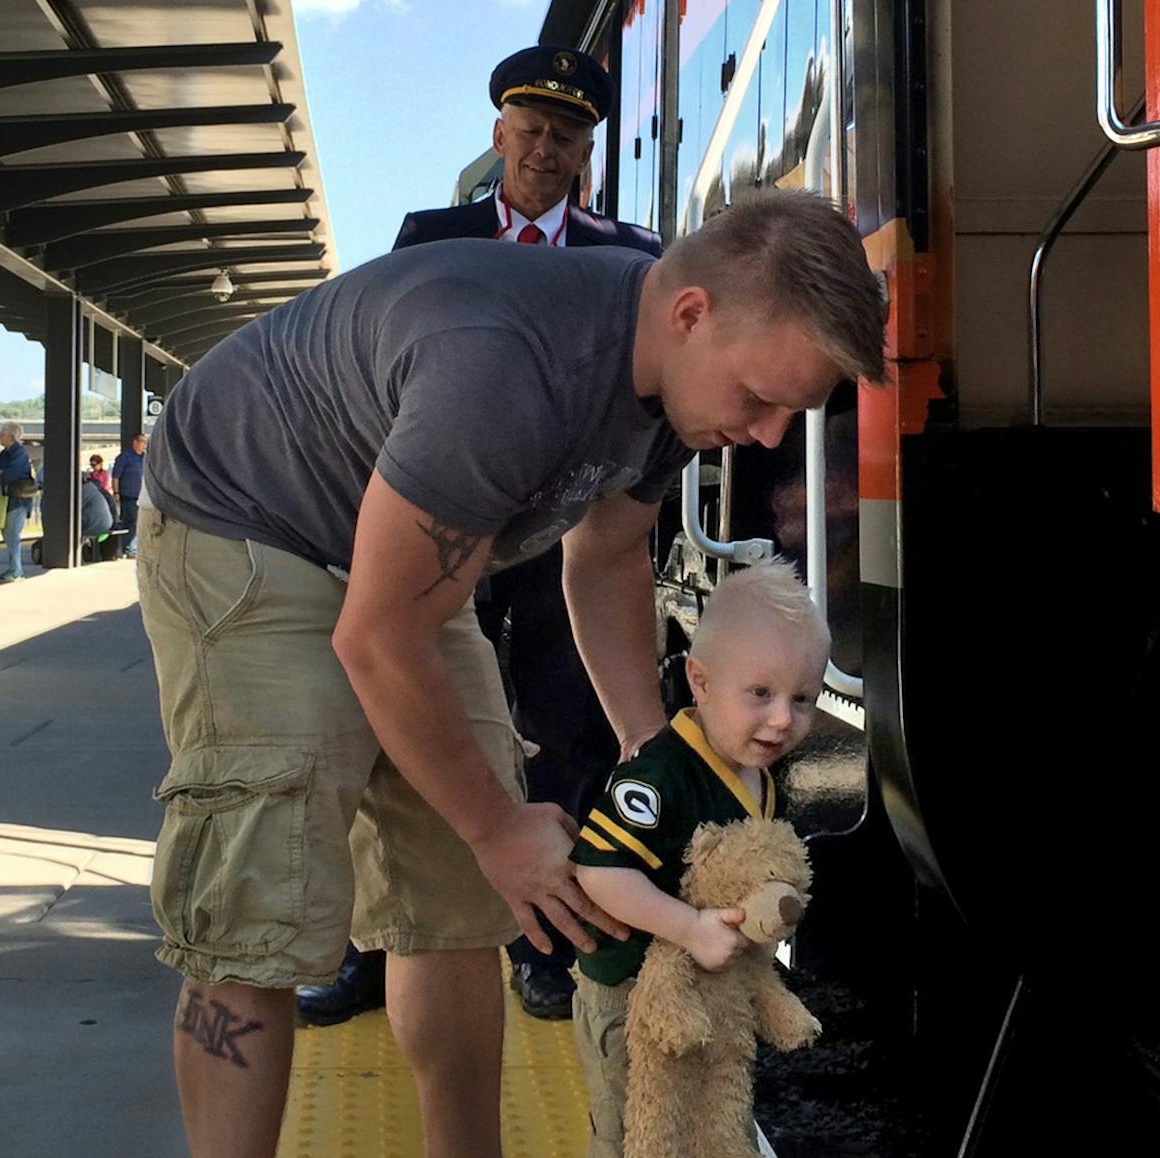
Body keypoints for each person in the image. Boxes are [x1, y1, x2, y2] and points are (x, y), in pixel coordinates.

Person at [137, 188, 885, 1158]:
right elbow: (375, 636)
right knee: (257, 902)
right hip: (246, 522)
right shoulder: (507, 369)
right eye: (761, 399)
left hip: (404, 569)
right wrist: (495, 823)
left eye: (794, 410)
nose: (772, 437)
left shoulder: (672, 390)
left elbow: (604, 559)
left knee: (462, 895)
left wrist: (653, 753)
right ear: (691, 316)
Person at [299, 42, 664, 1032]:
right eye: (531, 130)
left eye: (566, 136)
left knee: (562, 725)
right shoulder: (432, 234)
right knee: (390, 721)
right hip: (430, 515)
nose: (545, 151)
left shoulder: (625, 254)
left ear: (588, 151)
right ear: (499, 134)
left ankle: (546, 945)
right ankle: (370, 952)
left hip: (551, 532)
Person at [569, 558, 828, 1158]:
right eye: (760, 693)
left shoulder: (759, 770)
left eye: (804, 698)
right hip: (633, 990)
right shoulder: (660, 775)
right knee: (634, 1131)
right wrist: (689, 929)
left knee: (713, 1117)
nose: (784, 718)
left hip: (712, 988)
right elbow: (598, 870)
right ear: (701, 681)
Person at [0, 423, 36, 582]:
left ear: (10, 436)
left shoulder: (18, 453)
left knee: (12, 534)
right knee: (7, 533)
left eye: (1, 434)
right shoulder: (6, 453)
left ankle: (16, 570)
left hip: (17, 500)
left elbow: (8, 475)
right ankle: (14, 568)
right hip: (7, 499)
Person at [113, 433, 146, 559]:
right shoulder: (125, 457)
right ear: (135, 442)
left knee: (138, 523)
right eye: (142, 441)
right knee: (130, 522)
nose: (144, 444)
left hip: (141, 495)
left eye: (145, 442)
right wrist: (116, 492)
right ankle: (129, 549)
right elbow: (116, 476)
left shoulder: (145, 458)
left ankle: (132, 547)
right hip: (128, 495)